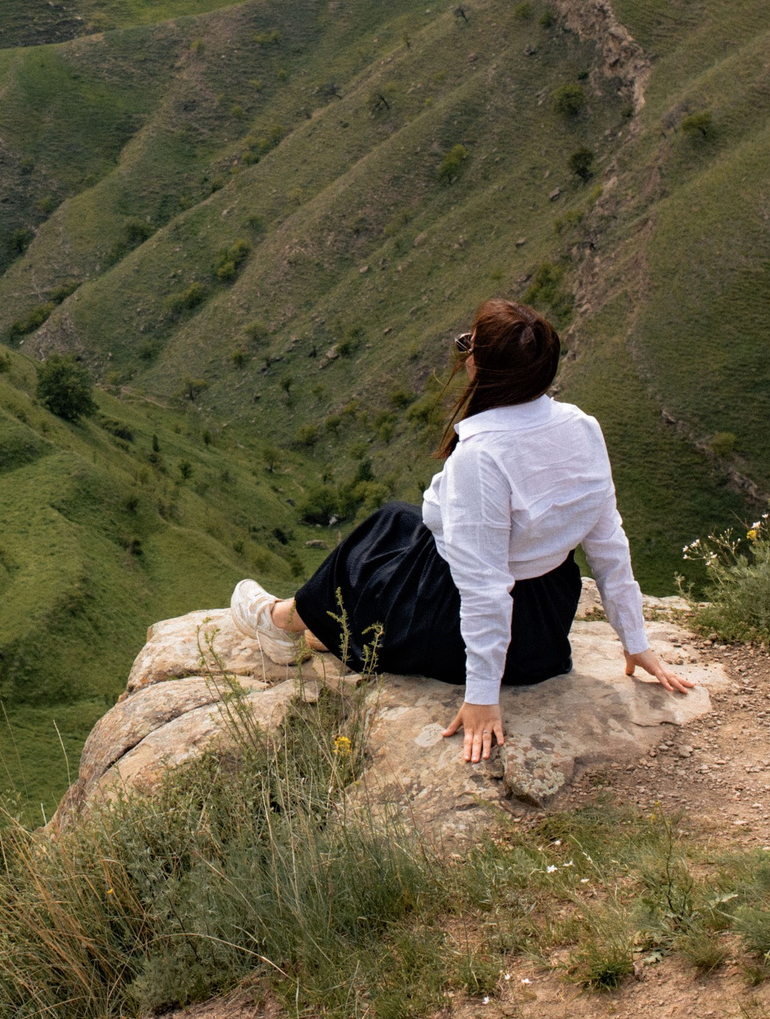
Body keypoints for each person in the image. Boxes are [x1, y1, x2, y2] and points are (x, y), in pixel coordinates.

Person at [230, 297, 692, 763]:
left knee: (383, 531)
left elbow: (486, 589)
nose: (466, 354)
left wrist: (482, 697)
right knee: (400, 521)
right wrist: (636, 643)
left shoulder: (482, 457)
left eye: (471, 346)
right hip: (541, 636)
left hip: (458, 627)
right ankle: (311, 625)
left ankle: (283, 622)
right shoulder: (582, 428)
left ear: (481, 368)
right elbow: (608, 545)